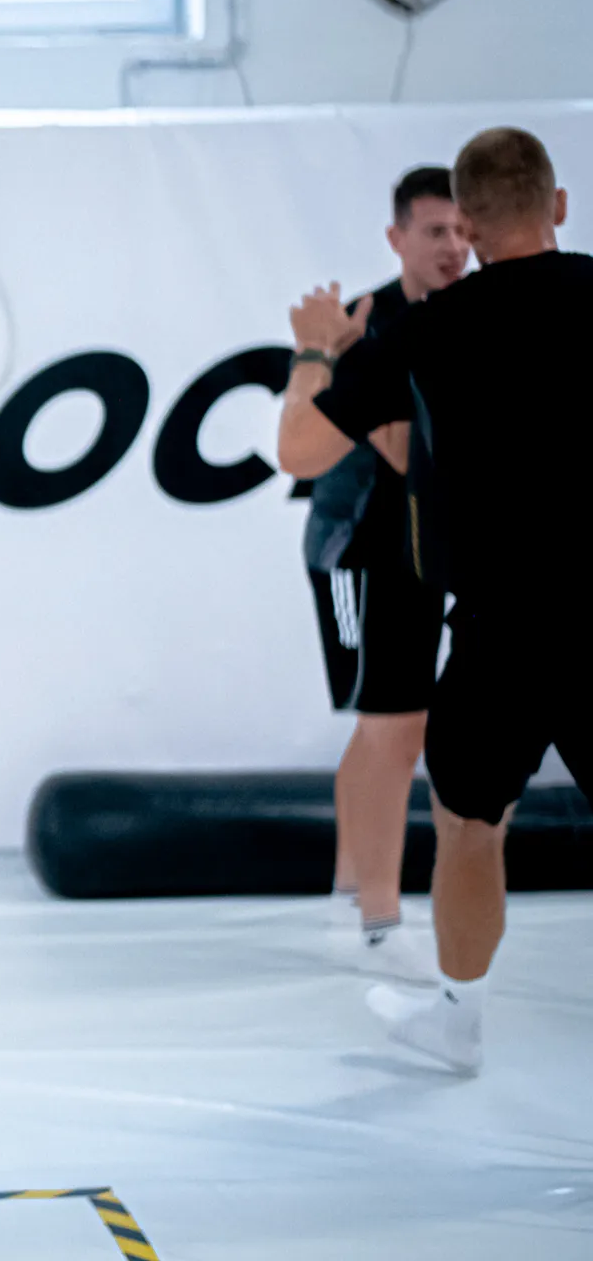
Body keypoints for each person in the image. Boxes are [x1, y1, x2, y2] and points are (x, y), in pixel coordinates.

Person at [276, 126, 589, 1075]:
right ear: (559, 206)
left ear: (472, 226)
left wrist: (316, 349)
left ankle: (460, 1020)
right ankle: (385, 931)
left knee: (467, 829)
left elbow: (297, 451)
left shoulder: (428, 328)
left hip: (501, 634)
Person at [301, 166, 467, 980]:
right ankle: (378, 918)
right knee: (390, 729)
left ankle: (349, 888)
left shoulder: (472, 314)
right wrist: (339, 349)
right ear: (398, 237)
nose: (453, 246)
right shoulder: (369, 323)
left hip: (430, 548)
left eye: (463, 230)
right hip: (360, 550)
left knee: (383, 727)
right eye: (435, 231)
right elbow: (403, 454)